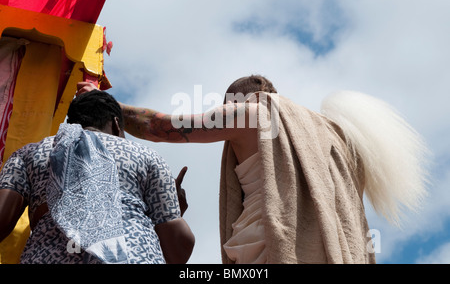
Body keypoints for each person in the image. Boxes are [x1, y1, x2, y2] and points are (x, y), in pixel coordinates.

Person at [77, 75, 429, 264]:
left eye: (224, 105)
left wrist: (99, 100)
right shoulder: (328, 136)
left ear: (237, 102)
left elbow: (160, 127)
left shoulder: (254, 113)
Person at [0, 90, 194, 264]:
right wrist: (174, 211)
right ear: (117, 125)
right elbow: (176, 253)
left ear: (70, 124)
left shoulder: (31, 153)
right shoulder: (146, 156)